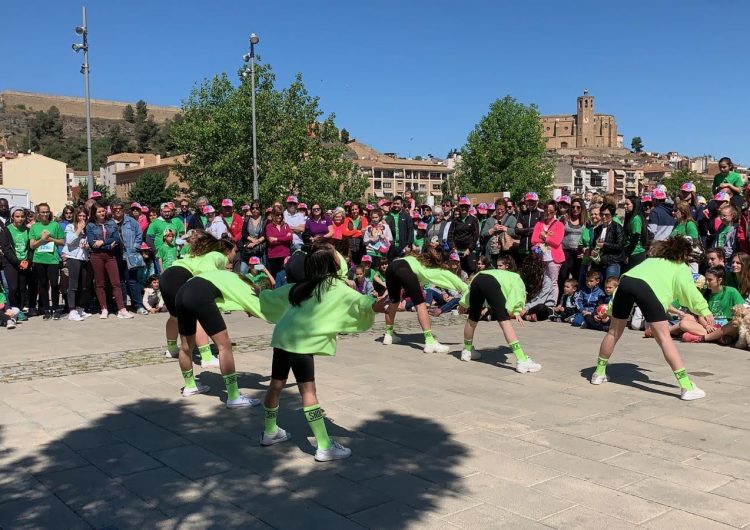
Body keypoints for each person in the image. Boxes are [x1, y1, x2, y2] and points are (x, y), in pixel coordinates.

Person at [258, 242, 388, 461]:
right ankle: (325, 446)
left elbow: (273, 297)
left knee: (276, 385)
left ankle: (270, 431)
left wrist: (256, 295)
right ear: (332, 264)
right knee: (308, 392)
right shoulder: (333, 286)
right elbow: (360, 301)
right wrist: (377, 304)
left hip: (282, 337)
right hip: (301, 342)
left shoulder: (302, 285)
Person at [590, 237, 712, 400]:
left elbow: (635, 280)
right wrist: (704, 310)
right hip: (645, 289)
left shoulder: (652, 261)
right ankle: (686, 386)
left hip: (625, 282)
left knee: (613, 332)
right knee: (664, 339)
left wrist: (610, 310)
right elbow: (689, 291)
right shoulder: (680, 267)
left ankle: (598, 373)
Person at [174, 269, 267, 408]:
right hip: (200, 294)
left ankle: (190, 386)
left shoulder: (231, 276)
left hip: (182, 292)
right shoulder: (247, 287)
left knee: (186, 346)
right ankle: (234, 397)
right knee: (224, 346)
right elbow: (259, 308)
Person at [160, 231, 235, 365]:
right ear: (228, 251)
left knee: (174, 317)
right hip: (180, 277)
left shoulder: (194, 254)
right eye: (235, 251)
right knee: (196, 317)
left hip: (167, 276)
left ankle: (171, 349)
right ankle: (206, 357)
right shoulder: (218, 256)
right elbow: (209, 274)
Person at [383, 247, 468, 352]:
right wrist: (465, 289)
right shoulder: (430, 269)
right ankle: (430, 341)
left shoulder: (414, 257)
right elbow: (451, 278)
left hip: (391, 268)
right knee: (420, 304)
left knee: (394, 302)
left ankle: (388, 335)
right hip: (405, 269)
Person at [457, 266, 542, 371]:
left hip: (477, 279)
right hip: (491, 283)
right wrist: (516, 311)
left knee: (472, 318)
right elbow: (517, 295)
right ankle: (522, 359)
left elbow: (470, 290)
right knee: (504, 321)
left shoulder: (502, 275)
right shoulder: (517, 278)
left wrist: (463, 304)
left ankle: (467, 351)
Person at [86, 203, 133, 319]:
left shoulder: (111, 222)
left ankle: (121, 309)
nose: (102, 213)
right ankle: (103, 308)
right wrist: (108, 245)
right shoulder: (90, 225)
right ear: (94, 213)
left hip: (110, 256)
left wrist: (102, 242)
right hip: (96, 256)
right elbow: (92, 243)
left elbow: (116, 238)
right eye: (99, 212)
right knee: (100, 283)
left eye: (103, 211)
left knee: (116, 282)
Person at [678, 266, 744, 344]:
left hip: (725, 327)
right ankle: (718, 338)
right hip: (710, 327)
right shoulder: (705, 293)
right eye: (706, 279)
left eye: (710, 280)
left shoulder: (731, 291)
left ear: (719, 280)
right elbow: (701, 316)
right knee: (683, 323)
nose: (706, 282)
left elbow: (742, 308)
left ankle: (704, 337)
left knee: (735, 324)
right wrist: (707, 326)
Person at [29, 203, 66, 320]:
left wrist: (50, 239)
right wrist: (42, 240)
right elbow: (32, 245)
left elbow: (62, 241)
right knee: (43, 285)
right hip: (39, 259)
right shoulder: (35, 227)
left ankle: (55, 308)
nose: (45, 214)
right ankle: (46, 310)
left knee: (55, 284)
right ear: (38, 213)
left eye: (47, 212)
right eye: (42, 212)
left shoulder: (55, 225)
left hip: (53, 259)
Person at [112, 199, 146, 314]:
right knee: (119, 281)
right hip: (115, 256)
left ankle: (138, 305)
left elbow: (139, 235)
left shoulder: (131, 222)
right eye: (115, 209)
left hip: (129, 255)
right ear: (112, 210)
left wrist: (134, 247)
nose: (117, 211)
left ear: (123, 210)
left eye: (119, 209)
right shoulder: (109, 223)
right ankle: (123, 306)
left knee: (132, 280)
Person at [531, 201, 565, 303]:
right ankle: (543, 301)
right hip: (542, 256)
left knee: (553, 282)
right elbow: (534, 240)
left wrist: (545, 237)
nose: (548, 213)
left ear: (555, 211)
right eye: (546, 210)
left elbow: (557, 242)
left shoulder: (559, 225)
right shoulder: (539, 224)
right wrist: (547, 241)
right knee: (545, 281)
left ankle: (552, 303)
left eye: (551, 211)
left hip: (554, 258)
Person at [63, 207, 92, 321]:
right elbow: (69, 241)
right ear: (76, 216)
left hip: (83, 258)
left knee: (82, 285)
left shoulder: (87, 228)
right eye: (80, 216)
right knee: (73, 285)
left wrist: (87, 246)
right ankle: (72, 310)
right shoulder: (70, 227)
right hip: (73, 258)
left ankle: (79, 308)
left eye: (84, 216)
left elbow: (88, 243)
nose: (82, 218)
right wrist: (79, 229)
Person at [1, 207, 31, 310]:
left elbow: (30, 248)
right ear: (12, 217)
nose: (20, 219)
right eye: (17, 216)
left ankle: (20, 309)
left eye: (22, 216)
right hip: (11, 263)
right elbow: (6, 249)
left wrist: (27, 261)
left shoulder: (27, 230)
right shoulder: (6, 230)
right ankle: (13, 308)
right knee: (13, 288)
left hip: (25, 262)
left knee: (22, 288)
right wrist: (18, 262)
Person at [557, 197, 586, 299]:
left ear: (582, 208)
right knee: (563, 277)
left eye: (578, 207)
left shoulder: (586, 221)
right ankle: (560, 299)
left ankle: (575, 300)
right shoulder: (564, 219)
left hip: (578, 252)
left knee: (577, 278)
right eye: (573, 207)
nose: (575, 209)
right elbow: (557, 232)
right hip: (565, 251)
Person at [592, 204, 625, 281]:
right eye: (602, 214)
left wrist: (604, 244)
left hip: (613, 261)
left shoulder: (617, 227)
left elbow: (620, 246)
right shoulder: (597, 229)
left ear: (612, 215)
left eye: (607, 215)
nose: (603, 217)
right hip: (600, 262)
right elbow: (594, 244)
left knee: (610, 286)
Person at [448, 197, 480, 274]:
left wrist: (469, 249)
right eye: (462, 206)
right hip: (457, 250)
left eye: (466, 206)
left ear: (469, 207)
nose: (464, 208)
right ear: (459, 207)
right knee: (457, 271)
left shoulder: (473, 220)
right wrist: (453, 248)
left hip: (469, 250)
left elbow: (475, 236)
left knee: (471, 269)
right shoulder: (455, 221)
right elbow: (450, 235)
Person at [623, 195, 649, 271]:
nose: (625, 206)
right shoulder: (631, 218)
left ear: (635, 205)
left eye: (627, 204)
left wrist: (627, 254)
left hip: (636, 253)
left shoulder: (636, 219)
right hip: (632, 252)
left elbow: (635, 238)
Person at [265, 208, 293, 278]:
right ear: (273, 216)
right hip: (273, 255)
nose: (280, 217)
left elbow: (290, 238)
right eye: (277, 215)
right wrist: (284, 239)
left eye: (281, 215)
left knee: (285, 276)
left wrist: (277, 239)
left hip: (285, 254)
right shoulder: (269, 226)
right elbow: (270, 241)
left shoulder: (286, 225)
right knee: (275, 276)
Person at [239, 200, 266, 274]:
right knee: (243, 270)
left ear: (260, 209)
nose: (255, 210)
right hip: (248, 250)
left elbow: (265, 234)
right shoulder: (247, 220)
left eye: (257, 208)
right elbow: (244, 233)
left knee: (260, 269)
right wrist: (252, 240)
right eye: (253, 208)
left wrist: (255, 242)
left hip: (259, 250)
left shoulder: (264, 220)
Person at [385, 196, 414, 261]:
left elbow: (410, 230)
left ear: (402, 204)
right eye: (394, 203)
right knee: (391, 264)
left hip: (403, 245)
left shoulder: (406, 216)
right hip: (391, 245)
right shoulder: (389, 215)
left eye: (398, 204)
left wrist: (408, 245)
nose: (396, 205)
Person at [515, 192, 542, 263]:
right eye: (529, 201)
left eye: (533, 201)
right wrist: (532, 229)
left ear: (537, 202)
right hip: (522, 247)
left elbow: (540, 230)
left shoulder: (541, 214)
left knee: (538, 268)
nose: (531, 203)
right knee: (522, 269)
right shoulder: (521, 214)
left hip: (537, 247)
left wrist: (523, 230)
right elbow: (516, 230)